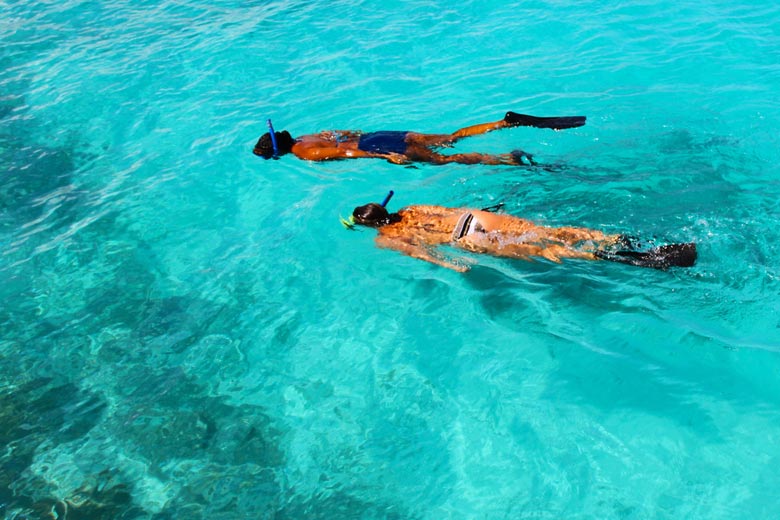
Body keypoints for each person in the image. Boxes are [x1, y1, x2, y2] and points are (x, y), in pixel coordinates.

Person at [343, 192, 697, 272]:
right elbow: (451, 211)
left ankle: (633, 260)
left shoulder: (386, 239)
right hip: (477, 219)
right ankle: (617, 239)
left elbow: (422, 253)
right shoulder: (412, 208)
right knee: (553, 231)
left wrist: (456, 267)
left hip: (467, 239)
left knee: (547, 250)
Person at [253, 111, 586, 165]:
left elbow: (348, 153)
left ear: (277, 152)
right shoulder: (310, 135)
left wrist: (386, 157)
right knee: (451, 138)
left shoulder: (304, 154)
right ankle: (505, 122)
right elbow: (345, 135)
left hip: (377, 145)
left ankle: (506, 159)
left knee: (446, 159)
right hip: (380, 134)